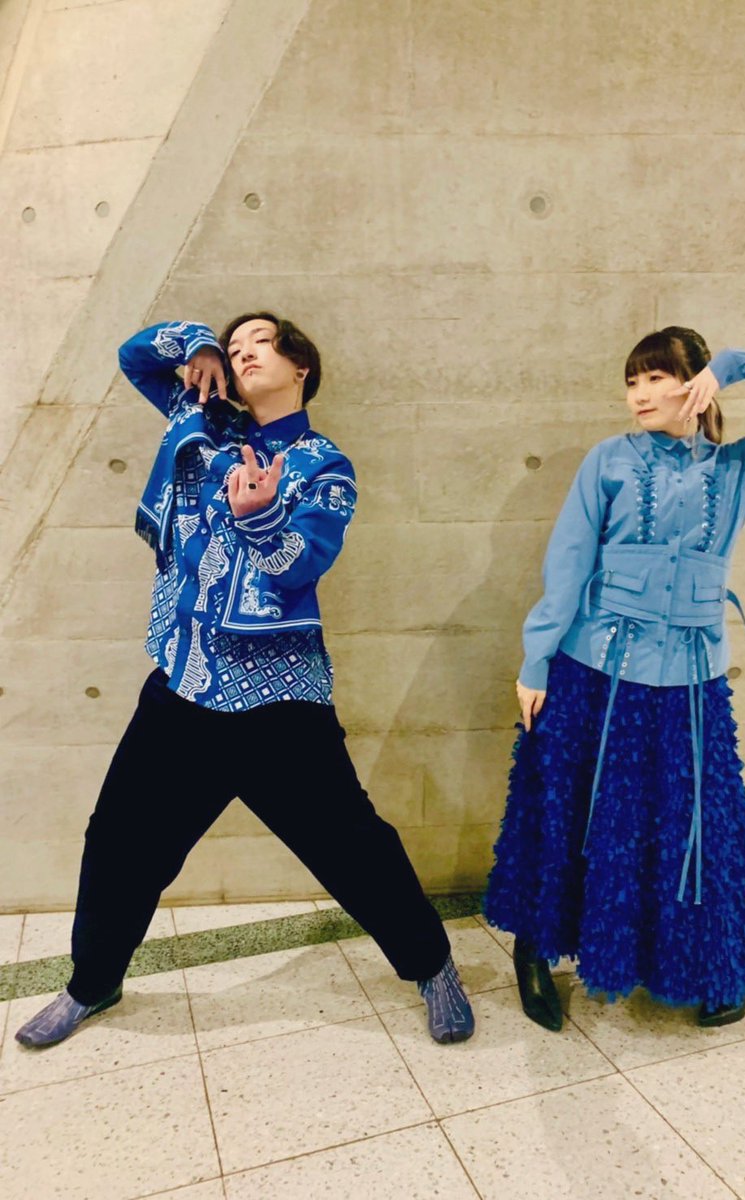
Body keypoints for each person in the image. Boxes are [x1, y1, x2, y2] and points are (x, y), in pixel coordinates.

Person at [16, 313, 474, 1048]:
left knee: (352, 847)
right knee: (120, 842)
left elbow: (301, 565)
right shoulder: (200, 422)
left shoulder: (324, 464)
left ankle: (432, 965)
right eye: (234, 347)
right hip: (186, 685)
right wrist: (196, 343)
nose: (243, 353)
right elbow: (135, 357)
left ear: (301, 366)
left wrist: (259, 519)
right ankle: (92, 982)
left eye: (259, 342)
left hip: (279, 698)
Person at [483, 326, 745, 1030]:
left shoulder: (740, 469)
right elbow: (568, 563)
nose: (639, 395)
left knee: (693, 823)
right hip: (596, 666)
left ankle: (714, 961)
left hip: (690, 680)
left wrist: (735, 365)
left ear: (695, 384)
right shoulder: (609, 461)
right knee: (569, 809)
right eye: (632, 381)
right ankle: (535, 949)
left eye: (656, 378)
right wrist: (536, 659)